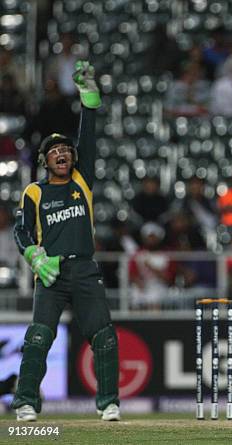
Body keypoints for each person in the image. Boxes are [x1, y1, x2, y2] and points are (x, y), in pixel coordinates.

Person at [11, 61, 120, 422]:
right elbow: (21, 230)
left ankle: (108, 404)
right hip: (51, 273)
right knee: (39, 339)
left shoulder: (81, 183)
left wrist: (88, 97)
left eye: (67, 151)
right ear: (45, 160)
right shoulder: (34, 191)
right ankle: (26, 402)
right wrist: (33, 256)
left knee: (104, 337)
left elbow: (88, 134)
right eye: (56, 152)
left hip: (84, 269)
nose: (64, 154)